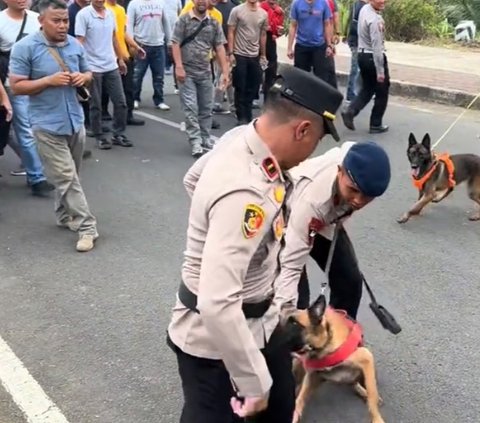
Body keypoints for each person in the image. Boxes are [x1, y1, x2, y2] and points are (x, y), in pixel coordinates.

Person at [166, 64, 344, 423]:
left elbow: (193, 178)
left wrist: (215, 230)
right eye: (317, 141)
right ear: (303, 129)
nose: (312, 152)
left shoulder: (242, 139)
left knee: (280, 408)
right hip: (218, 343)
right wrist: (252, 382)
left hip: (261, 322)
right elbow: (217, 304)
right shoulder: (244, 193)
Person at [10, 0, 99, 252]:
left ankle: (63, 215)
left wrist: (84, 77)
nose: (62, 26)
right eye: (56, 21)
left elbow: (88, 72)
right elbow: (16, 85)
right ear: (41, 21)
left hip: (75, 122)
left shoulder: (73, 44)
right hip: (45, 125)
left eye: (65, 21)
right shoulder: (24, 48)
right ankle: (87, 227)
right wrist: (48, 80)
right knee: (68, 178)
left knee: (70, 177)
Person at [273, 141, 391, 320]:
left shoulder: (355, 159)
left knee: (349, 282)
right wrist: (287, 313)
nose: (358, 201)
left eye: (367, 196)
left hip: (330, 217)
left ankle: (337, 337)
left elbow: (350, 146)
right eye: (353, 190)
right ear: (339, 171)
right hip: (288, 216)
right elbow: (291, 265)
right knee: (297, 301)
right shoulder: (313, 202)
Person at [0, 0, 55, 196]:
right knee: (25, 130)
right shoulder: (1, 22)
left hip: (44, 82)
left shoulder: (37, 19)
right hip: (14, 86)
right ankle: (36, 177)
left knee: (41, 127)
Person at [171, 0, 229, 158]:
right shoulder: (183, 20)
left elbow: (219, 47)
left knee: (206, 108)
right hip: (186, 72)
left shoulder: (214, 22)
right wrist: (178, 66)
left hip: (205, 72)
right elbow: (175, 43)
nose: (202, 1)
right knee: (190, 108)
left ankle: (205, 138)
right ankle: (195, 141)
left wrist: (225, 71)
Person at [75, 0, 132, 150]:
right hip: (92, 67)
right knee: (96, 105)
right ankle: (99, 136)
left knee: (121, 102)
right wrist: (82, 67)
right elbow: (79, 42)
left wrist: (120, 59)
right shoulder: (84, 15)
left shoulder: (110, 13)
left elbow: (114, 38)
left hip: (110, 65)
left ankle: (118, 134)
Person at [341, 0, 389, 134]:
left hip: (362, 55)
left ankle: (351, 111)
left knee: (367, 89)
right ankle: (376, 123)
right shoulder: (374, 20)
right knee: (382, 92)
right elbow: (377, 47)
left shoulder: (364, 9)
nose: (383, 1)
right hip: (373, 57)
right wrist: (380, 71)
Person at [227, 0, 267, 126]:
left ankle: (248, 113)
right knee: (240, 86)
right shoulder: (237, 11)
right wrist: (231, 52)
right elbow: (231, 31)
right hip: (239, 54)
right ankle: (241, 116)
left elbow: (263, 34)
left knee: (254, 85)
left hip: (254, 55)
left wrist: (263, 54)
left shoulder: (263, 14)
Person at [127, 0, 171, 111]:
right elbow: (129, 24)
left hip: (158, 44)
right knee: (137, 75)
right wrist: (131, 44)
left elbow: (166, 22)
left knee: (159, 76)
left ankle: (159, 100)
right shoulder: (134, 3)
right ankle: (135, 98)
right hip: (141, 44)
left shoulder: (161, 2)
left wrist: (170, 41)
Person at [286, 0, 335, 88]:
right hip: (302, 46)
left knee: (321, 79)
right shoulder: (296, 3)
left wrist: (329, 45)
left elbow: (327, 24)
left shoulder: (323, 3)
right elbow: (293, 25)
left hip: (319, 46)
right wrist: (289, 48)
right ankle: (300, 100)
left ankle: (318, 100)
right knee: (300, 78)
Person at [260, 0, 283, 102]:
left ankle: (268, 100)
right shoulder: (261, 7)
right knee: (257, 70)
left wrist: (278, 33)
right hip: (258, 39)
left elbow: (278, 27)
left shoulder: (278, 10)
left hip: (270, 41)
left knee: (271, 70)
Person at [345, 0, 367, 102]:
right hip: (357, 41)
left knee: (361, 68)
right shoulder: (360, 6)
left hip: (359, 41)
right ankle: (351, 94)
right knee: (355, 69)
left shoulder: (358, 5)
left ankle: (361, 91)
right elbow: (355, 25)